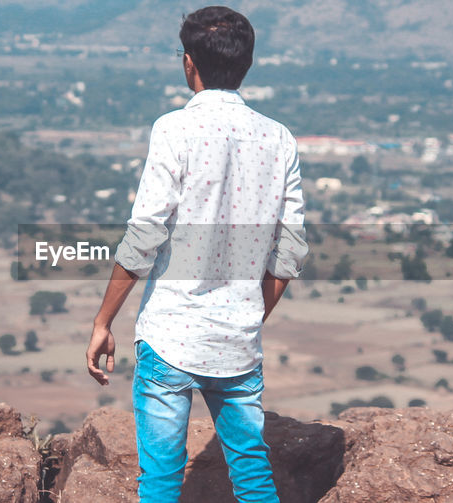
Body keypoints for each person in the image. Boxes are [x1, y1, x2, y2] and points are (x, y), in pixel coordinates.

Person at [85, 6, 308, 502]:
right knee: (252, 473)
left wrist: (104, 321)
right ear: (246, 64)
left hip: (169, 335)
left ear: (189, 63)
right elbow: (290, 250)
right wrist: (253, 312)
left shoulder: (174, 130)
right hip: (238, 341)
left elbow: (144, 236)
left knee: (161, 480)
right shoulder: (279, 139)